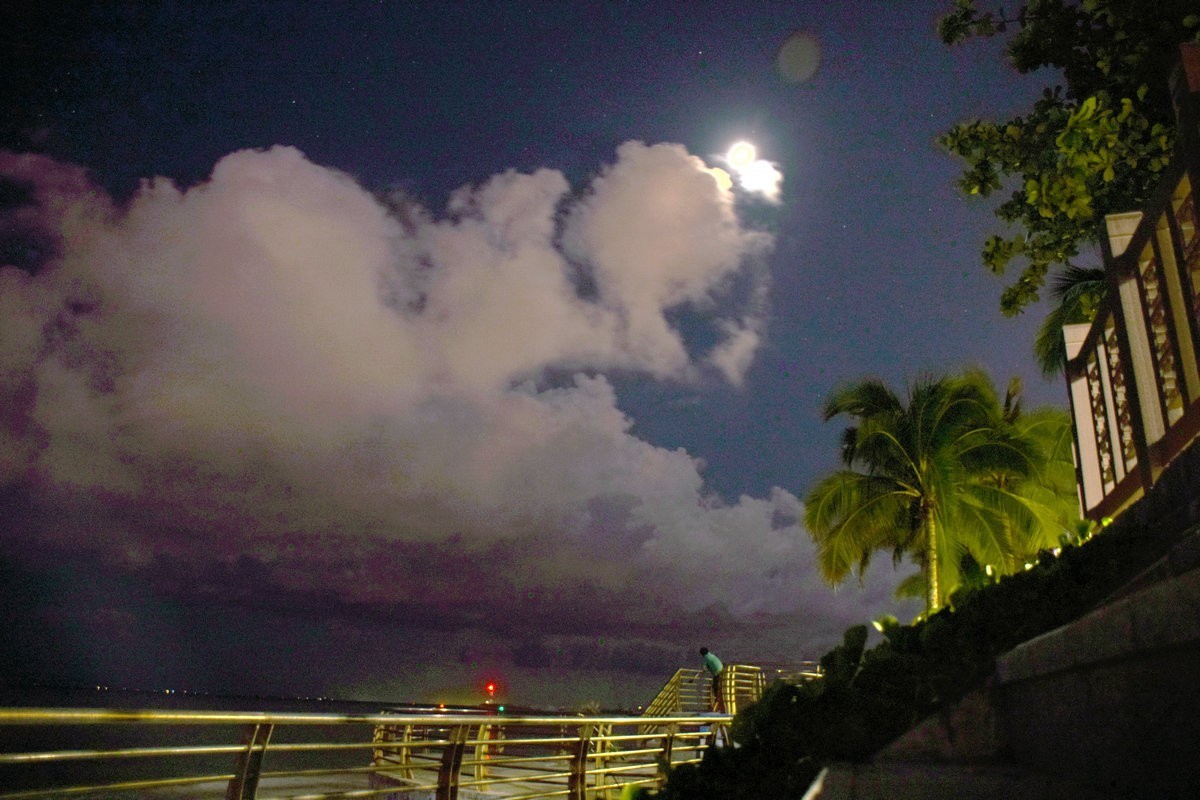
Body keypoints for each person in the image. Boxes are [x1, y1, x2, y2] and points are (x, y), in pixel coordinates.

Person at [699, 647, 725, 712]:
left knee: (715, 688)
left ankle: (717, 702)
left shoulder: (706, 658)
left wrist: (703, 670)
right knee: (720, 690)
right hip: (723, 672)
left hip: (717, 674)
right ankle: (719, 704)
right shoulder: (712, 656)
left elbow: (704, 669)